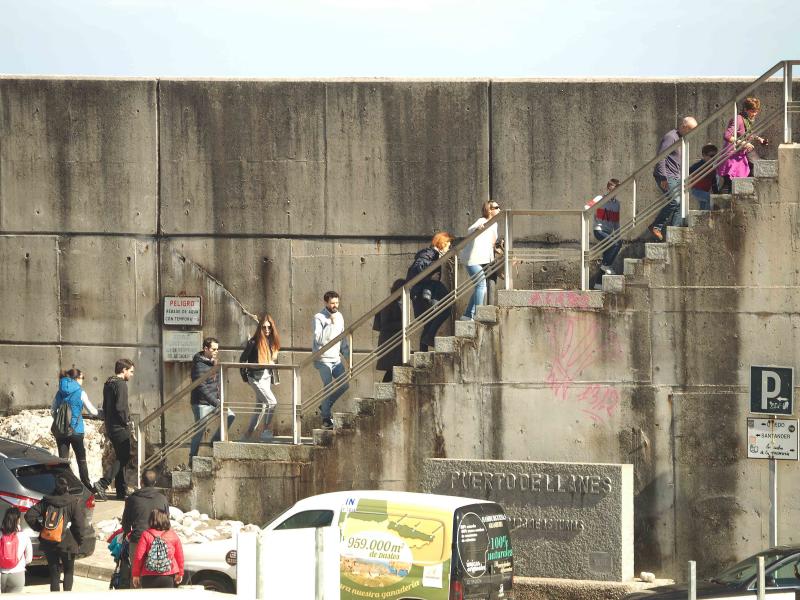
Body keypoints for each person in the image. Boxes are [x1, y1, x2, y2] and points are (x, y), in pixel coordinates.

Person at [25, 475, 88, 592]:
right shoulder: (73, 502)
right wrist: (80, 541)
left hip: (49, 542)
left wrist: (41, 528)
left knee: (54, 574)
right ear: (68, 487)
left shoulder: (46, 501)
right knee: (68, 572)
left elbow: (29, 515)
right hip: (68, 543)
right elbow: (79, 526)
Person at [648, 116, 698, 241]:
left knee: (680, 205)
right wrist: (663, 177)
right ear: (684, 127)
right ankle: (656, 226)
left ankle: (674, 235)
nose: (692, 133)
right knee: (674, 201)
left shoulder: (682, 139)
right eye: (691, 130)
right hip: (667, 176)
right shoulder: (671, 137)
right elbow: (661, 157)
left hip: (677, 176)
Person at [93, 358, 135, 501]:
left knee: (120, 457)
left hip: (111, 426)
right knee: (124, 457)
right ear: (124, 370)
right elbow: (121, 407)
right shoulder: (121, 384)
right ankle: (103, 483)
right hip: (120, 427)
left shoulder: (108, 383)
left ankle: (121, 490)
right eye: (131, 371)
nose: (132, 375)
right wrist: (126, 421)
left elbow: (106, 406)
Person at [50, 368, 99, 490]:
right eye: (82, 378)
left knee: (63, 461)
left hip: (61, 432)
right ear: (76, 379)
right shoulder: (80, 392)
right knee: (81, 460)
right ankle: (86, 486)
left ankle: (64, 486)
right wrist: (100, 412)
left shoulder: (59, 392)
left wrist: (60, 421)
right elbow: (92, 411)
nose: (83, 380)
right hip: (76, 430)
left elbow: (52, 410)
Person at [406, 232, 454, 351]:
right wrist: (435, 264)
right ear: (443, 243)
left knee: (430, 319)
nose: (449, 248)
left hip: (430, 290)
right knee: (441, 311)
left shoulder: (434, 254)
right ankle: (427, 340)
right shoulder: (429, 253)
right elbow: (417, 267)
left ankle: (424, 347)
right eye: (448, 245)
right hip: (426, 290)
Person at [121, 468, 169, 583]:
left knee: (136, 576)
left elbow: (126, 522)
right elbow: (167, 521)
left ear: (141, 482)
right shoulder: (162, 499)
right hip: (158, 541)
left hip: (138, 540)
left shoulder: (132, 499)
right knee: (157, 574)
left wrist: (127, 534)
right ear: (155, 483)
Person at [190, 337, 234, 459]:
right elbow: (202, 387)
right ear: (205, 349)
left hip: (214, 401)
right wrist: (216, 402)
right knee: (200, 430)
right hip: (201, 403)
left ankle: (215, 441)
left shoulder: (214, 363)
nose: (216, 351)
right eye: (214, 349)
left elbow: (217, 384)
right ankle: (192, 458)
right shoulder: (198, 365)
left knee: (230, 415)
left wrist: (219, 399)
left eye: (217, 349)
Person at [239, 315, 281, 440]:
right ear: (260, 328)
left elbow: (273, 359)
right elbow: (242, 360)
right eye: (264, 327)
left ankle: (247, 435)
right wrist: (246, 377)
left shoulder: (272, 341)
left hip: (267, 376)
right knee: (272, 402)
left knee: (260, 406)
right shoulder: (253, 342)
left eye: (269, 327)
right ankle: (266, 430)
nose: (267, 330)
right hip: (256, 377)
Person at [313, 291, 350, 430]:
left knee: (344, 385)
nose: (335, 305)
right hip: (322, 359)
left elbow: (342, 338)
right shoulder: (319, 317)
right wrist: (330, 325)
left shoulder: (339, 316)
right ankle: (326, 419)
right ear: (326, 302)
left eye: (337, 302)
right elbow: (318, 339)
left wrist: (347, 357)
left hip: (336, 359)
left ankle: (325, 406)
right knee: (328, 386)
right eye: (332, 303)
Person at [460, 201, 501, 321]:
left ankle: (468, 314)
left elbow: (491, 241)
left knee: (480, 286)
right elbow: (470, 229)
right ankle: (479, 314)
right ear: (489, 210)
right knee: (481, 284)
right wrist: (477, 228)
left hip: (481, 259)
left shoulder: (494, 224)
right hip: (472, 258)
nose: (499, 209)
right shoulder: (483, 220)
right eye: (496, 207)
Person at [717, 97, 767, 193]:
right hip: (732, 156)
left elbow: (748, 133)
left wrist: (759, 139)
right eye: (752, 111)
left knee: (737, 181)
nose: (755, 114)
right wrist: (744, 143)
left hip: (739, 155)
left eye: (756, 111)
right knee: (728, 185)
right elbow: (727, 136)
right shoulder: (738, 119)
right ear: (746, 109)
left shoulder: (747, 120)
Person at [131, 509, 184, 589]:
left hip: (148, 575)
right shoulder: (172, 535)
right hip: (168, 574)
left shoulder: (146, 534)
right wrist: (180, 573)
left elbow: (139, 557)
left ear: (151, 520)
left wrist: (136, 575)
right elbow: (179, 556)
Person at [584, 179, 621, 276]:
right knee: (615, 244)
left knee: (607, 255)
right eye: (612, 189)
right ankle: (606, 266)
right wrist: (593, 211)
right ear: (608, 189)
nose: (614, 192)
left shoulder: (617, 204)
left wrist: (618, 235)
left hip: (609, 232)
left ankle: (599, 282)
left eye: (617, 190)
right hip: (599, 230)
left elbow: (616, 222)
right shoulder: (600, 198)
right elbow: (587, 207)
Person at [373, 279, 406, 382]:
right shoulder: (389, 304)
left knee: (394, 370)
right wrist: (403, 325)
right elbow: (385, 324)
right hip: (390, 341)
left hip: (396, 342)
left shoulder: (401, 304)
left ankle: (386, 389)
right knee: (392, 369)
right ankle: (383, 389)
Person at [0, 507, 32, 593]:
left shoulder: (1, 534)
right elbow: (29, 559)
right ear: (18, 520)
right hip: (17, 574)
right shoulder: (24, 536)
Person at [689, 144, 720, 210]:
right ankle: (707, 215)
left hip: (705, 190)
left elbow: (714, 182)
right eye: (711, 156)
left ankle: (702, 215)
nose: (713, 158)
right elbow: (689, 171)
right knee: (710, 198)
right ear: (704, 155)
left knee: (703, 206)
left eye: (715, 156)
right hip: (697, 190)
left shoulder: (713, 167)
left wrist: (717, 194)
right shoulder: (699, 165)